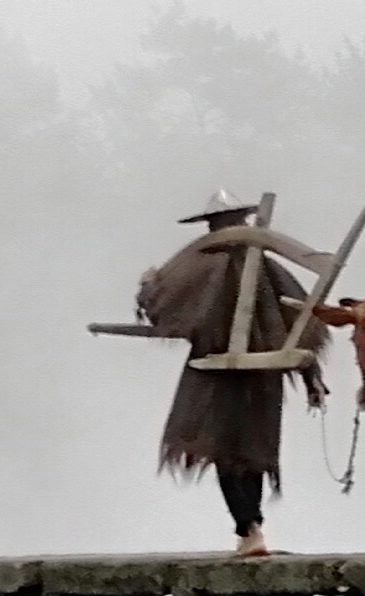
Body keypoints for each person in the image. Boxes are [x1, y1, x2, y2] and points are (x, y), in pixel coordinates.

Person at [137, 192, 331, 556]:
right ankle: (251, 528)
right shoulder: (254, 265)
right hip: (258, 373)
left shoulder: (200, 264)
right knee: (250, 452)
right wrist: (312, 376)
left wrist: (148, 283)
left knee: (230, 452)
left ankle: (249, 530)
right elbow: (298, 325)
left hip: (216, 376)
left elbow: (159, 306)